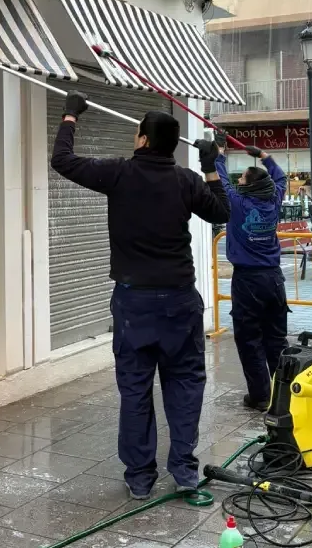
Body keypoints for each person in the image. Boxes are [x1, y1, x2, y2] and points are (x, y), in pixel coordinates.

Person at [51, 93, 230, 497]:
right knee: (185, 384)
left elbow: (62, 161)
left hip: (134, 304)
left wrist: (70, 116)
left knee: (135, 388)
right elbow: (223, 212)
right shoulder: (186, 181)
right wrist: (210, 165)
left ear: (144, 141)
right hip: (180, 301)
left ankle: (140, 478)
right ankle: (184, 470)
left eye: (137, 135)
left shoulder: (120, 174)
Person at [215, 143, 288, 411]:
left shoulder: (237, 203)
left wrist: (220, 156)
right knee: (276, 338)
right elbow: (280, 176)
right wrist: (263, 156)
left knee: (249, 339)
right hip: (274, 280)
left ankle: (259, 396)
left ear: (248, 186)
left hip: (248, 282)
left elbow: (220, 181)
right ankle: (284, 392)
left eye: (242, 177)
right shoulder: (274, 199)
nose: (238, 180)